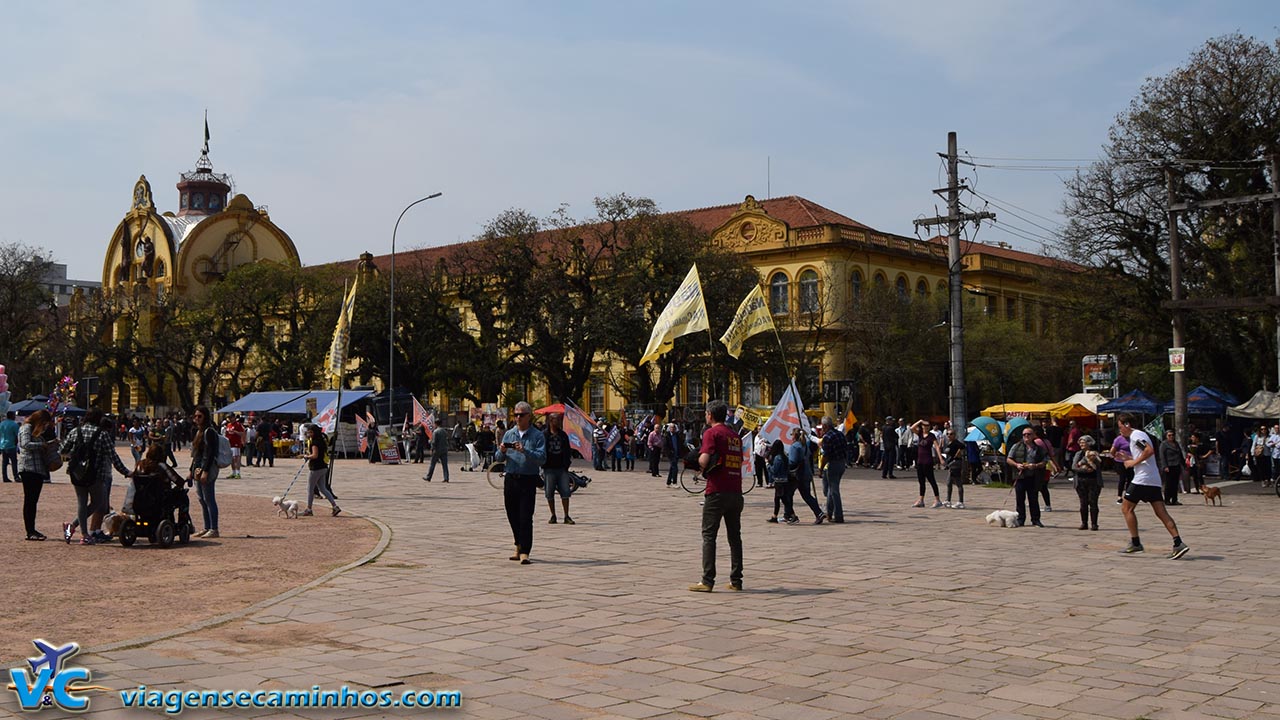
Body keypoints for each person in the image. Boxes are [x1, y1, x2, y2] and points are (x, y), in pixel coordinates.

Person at [1116, 413, 1190, 558]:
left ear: (1127, 425)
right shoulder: (1138, 436)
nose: (1120, 431)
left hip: (1142, 479)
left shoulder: (1135, 435)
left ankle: (1136, 542)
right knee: (1161, 512)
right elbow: (1145, 454)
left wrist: (1132, 463)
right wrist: (1129, 458)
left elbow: (1149, 451)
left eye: (1120, 427)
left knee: (1126, 508)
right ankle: (1178, 542)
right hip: (1153, 479)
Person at [689, 400, 744, 592]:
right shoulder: (735, 436)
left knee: (709, 535)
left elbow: (704, 459)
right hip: (736, 490)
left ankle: (707, 580)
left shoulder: (711, 433)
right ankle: (736, 580)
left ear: (710, 415)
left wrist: (697, 464)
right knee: (734, 537)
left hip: (717, 490)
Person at [59, 408, 132, 544]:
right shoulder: (102, 434)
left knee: (81, 501)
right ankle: (78, 529)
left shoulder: (75, 431)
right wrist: (126, 472)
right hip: (95, 473)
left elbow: (63, 450)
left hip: (76, 472)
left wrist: (76, 457)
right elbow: (113, 456)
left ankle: (82, 533)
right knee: (99, 502)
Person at [495, 402, 546, 565]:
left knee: (525, 516)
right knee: (512, 515)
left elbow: (542, 458)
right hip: (511, 477)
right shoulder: (509, 434)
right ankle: (518, 543)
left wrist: (525, 450)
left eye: (521, 415)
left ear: (528, 416)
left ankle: (525, 551)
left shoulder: (537, 435)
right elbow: (498, 458)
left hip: (528, 479)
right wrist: (501, 451)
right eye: (516, 415)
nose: (518, 418)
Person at [18, 410, 56, 540]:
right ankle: (30, 530)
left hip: (38, 469)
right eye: (44, 423)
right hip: (29, 468)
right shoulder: (26, 427)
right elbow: (25, 444)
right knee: (30, 501)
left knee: (33, 501)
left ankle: (32, 529)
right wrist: (42, 445)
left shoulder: (36, 431)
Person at [189, 406, 221, 539]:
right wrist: (191, 471)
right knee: (202, 500)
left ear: (205, 417)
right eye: (195, 416)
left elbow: (210, 453)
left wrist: (205, 471)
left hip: (205, 469)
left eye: (199, 416)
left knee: (209, 499)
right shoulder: (198, 432)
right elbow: (196, 454)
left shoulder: (209, 432)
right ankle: (206, 527)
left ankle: (214, 528)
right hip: (198, 468)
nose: (197, 419)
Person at [1006, 426, 1047, 527]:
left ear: (1033, 436)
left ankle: (1036, 519)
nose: (1026, 436)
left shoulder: (1039, 448)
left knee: (1033, 499)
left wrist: (1035, 465)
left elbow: (1045, 461)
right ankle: (1020, 519)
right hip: (1020, 477)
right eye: (1024, 434)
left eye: (1029, 434)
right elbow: (1009, 459)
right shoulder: (1017, 446)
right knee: (1020, 499)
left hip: (1033, 476)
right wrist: (1017, 465)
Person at [787, 427, 825, 523]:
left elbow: (793, 461)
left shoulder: (795, 446)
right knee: (807, 495)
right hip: (806, 473)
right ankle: (818, 513)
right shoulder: (805, 445)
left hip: (797, 475)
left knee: (787, 494)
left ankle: (790, 515)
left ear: (794, 436)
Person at [542, 412, 574, 525]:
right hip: (549, 468)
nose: (559, 422)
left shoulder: (563, 435)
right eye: (556, 420)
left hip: (562, 468)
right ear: (550, 421)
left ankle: (566, 515)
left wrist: (567, 463)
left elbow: (568, 450)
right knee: (549, 492)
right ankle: (553, 515)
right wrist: (543, 463)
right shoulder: (544, 435)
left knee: (565, 491)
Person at [304, 424, 340, 517]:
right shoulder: (322, 441)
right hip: (323, 466)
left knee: (310, 488)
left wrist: (307, 456)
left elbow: (314, 455)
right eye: (308, 432)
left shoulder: (314, 442)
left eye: (311, 432)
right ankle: (335, 506)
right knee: (323, 488)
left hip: (316, 467)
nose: (309, 434)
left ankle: (309, 509)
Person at [820, 416, 849, 523]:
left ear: (825, 426)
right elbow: (846, 449)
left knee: (834, 491)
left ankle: (839, 515)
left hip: (833, 464)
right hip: (841, 463)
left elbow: (825, 455)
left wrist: (821, 469)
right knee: (831, 490)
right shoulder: (840, 434)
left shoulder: (827, 437)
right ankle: (829, 512)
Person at [1072, 435, 1104, 531]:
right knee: (1083, 503)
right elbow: (1074, 467)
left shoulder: (1094, 454)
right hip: (1080, 481)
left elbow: (1098, 465)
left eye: (1083, 442)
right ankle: (1084, 523)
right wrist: (1084, 470)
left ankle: (1094, 524)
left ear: (1089, 443)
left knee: (1093, 502)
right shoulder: (1078, 454)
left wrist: (1090, 464)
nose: (1081, 444)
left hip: (1093, 481)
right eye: (1080, 442)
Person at [910, 419, 944, 508]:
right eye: (924, 426)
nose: (926, 427)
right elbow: (912, 428)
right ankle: (921, 500)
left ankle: (937, 500)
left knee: (932, 480)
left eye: (928, 426)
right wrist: (920, 421)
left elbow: (936, 447)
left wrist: (940, 458)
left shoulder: (931, 436)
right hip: (920, 461)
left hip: (928, 461)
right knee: (921, 481)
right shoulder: (920, 434)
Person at [765, 439, 796, 524]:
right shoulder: (784, 457)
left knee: (783, 500)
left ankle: (793, 515)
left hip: (780, 482)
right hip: (783, 481)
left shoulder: (778, 458)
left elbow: (774, 470)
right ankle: (775, 516)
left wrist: (768, 465)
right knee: (779, 499)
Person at [1158, 429, 1185, 505]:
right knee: (1168, 484)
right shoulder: (1164, 444)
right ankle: (1167, 499)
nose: (1171, 437)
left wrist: (1183, 464)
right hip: (1169, 466)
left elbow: (1180, 454)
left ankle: (1174, 499)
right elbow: (1162, 456)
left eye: (1172, 435)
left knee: (1175, 484)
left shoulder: (1176, 443)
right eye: (1169, 435)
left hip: (1177, 465)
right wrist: (1165, 466)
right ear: (1166, 436)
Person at [942, 427, 966, 508]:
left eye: (951, 434)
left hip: (955, 464)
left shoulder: (956, 443)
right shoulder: (949, 443)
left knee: (958, 482)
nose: (949, 435)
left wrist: (958, 453)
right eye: (947, 434)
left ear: (954, 435)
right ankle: (948, 500)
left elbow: (963, 446)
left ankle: (961, 502)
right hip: (951, 464)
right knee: (949, 483)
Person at [0, 410, 18, 482]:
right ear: (12, 416)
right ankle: (16, 476)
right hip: (11, 445)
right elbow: (17, 435)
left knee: (4, 462)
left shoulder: (1, 424)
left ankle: (5, 477)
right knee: (14, 462)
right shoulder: (14, 424)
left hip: (2, 445)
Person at [665, 422, 685, 487]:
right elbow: (665, 446)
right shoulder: (667, 436)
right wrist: (669, 453)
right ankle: (674, 482)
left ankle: (668, 482)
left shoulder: (677, 435)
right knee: (675, 468)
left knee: (672, 468)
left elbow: (680, 444)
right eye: (671, 427)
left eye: (673, 427)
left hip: (676, 454)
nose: (672, 429)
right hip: (671, 454)